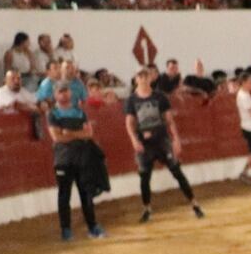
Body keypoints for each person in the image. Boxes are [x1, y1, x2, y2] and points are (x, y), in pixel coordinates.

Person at [123, 67, 201, 223]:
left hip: (161, 140)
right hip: (144, 143)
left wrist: (176, 139)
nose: (143, 79)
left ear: (150, 78)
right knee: (145, 177)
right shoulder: (131, 100)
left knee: (176, 171)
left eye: (145, 75)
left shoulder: (160, 97)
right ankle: (147, 208)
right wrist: (134, 140)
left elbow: (169, 120)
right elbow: (129, 123)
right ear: (136, 79)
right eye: (140, 76)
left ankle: (195, 204)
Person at [45, 82, 105, 241]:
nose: (64, 94)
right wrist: (79, 134)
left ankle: (92, 227)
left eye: (66, 91)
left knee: (86, 194)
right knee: (64, 195)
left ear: (70, 93)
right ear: (55, 95)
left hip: (81, 158)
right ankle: (66, 230)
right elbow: (57, 137)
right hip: (63, 159)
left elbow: (89, 134)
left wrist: (69, 133)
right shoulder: (53, 114)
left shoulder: (79, 112)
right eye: (60, 91)